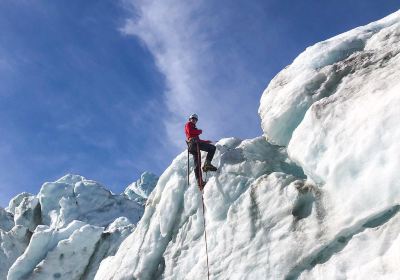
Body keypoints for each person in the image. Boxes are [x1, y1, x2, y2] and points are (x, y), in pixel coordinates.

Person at [185, 113, 217, 188]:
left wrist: (206, 141)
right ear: (190, 119)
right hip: (194, 143)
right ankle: (207, 164)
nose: (194, 120)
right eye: (193, 119)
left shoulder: (193, 127)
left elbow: (197, 139)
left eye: (195, 119)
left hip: (193, 145)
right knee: (212, 148)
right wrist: (199, 131)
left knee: (197, 164)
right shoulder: (189, 124)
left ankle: (200, 182)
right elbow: (190, 132)